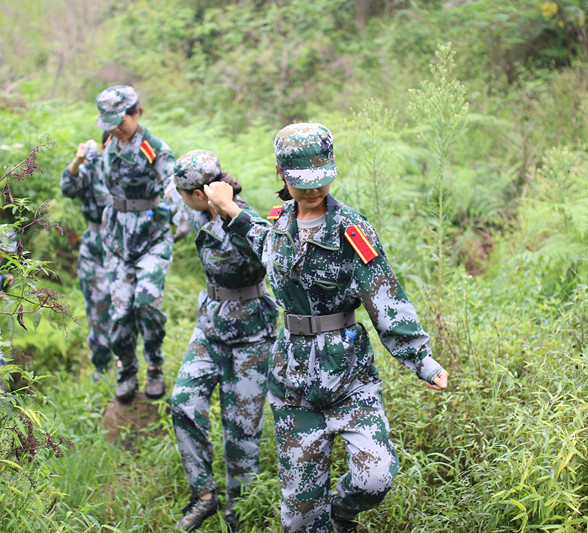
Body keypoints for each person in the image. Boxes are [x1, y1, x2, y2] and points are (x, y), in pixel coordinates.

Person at [204, 123, 450, 533]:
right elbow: (262, 240)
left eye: (321, 180)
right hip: (293, 385)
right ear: (281, 173)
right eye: (302, 182)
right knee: (300, 520)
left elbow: (384, 295)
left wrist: (421, 359)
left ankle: (343, 510)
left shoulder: (351, 231)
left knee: (376, 477)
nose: (313, 190)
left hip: (349, 379)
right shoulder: (280, 222)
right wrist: (229, 208)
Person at [168, 151, 277, 532]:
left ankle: (239, 514)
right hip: (210, 327)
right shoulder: (197, 211)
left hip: (250, 335)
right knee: (183, 404)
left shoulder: (244, 218)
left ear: (199, 193)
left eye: (182, 193)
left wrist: (230, 213)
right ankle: (204, 495)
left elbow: (272, 253)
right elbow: (169, 210)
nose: (179, 198)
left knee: (241, 432)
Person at [95, 85, 181, 402]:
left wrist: (179, 216)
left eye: (121, 122)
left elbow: (173, 184)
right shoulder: (108, 142)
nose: (116, 129)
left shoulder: (153, 147)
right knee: (120, 313)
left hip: (151, 237)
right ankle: (127, 370)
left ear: (137, 113)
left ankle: (155, 365)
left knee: (146, 302)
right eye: (109, 124)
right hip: (116, 237)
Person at [60, 132, 114, 381]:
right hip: (96, 245)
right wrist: (78, 161)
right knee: (98, 307)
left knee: (128, 308)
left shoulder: (135, 171)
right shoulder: (93, 168)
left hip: (126, 245)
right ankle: (103, 371)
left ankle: (128, 366)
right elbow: (68, 188)